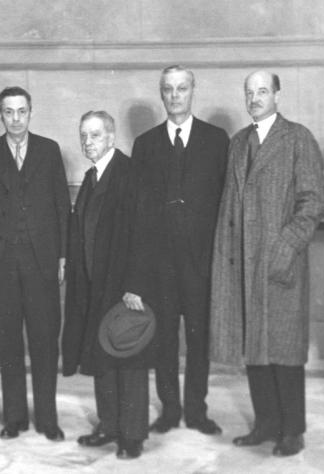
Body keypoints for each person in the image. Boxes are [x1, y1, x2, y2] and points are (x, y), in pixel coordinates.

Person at [210, 71, 324, 459]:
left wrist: (285, 246)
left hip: (280, 263)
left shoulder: (298, 138)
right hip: (243, 264)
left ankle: (293, 431)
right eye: (250, 92)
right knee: (254, 349)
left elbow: (313, 201)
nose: (255, 98)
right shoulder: (238, 142)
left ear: (277, 94)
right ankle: (265, 424)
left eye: (263, 91)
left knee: (284, 350)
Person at [0, 86, 70, 441]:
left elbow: (62, 207)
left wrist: (63, 256)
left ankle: (48, 419)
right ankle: (14, 419)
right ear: (1, 114)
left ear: (30, 112)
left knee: (45, 342)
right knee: (9, 343)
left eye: (21, 111)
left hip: (42, 263)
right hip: (1, 265)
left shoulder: (49, 150)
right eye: (8, 112)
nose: (15, 118)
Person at [130, 66, 228, 436]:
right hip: (161, 265)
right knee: (165, 340)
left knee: (200, 339)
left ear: (192, 91)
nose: (175, 96)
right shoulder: (146, 144)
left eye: (181, 88)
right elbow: (139, 214)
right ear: (161, 94)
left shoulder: (216, 140)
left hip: (202, 263)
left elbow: (225, 202)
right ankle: (170, 410)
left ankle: (197, 411)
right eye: (168, 89)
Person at [62, 111, 157, 460]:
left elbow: (146, 233)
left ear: (111, 138)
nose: (88, 142)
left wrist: (135, 285)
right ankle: (109, 425)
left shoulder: (131, 174)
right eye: (84, 136)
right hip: (94, 284)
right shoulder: (92, 177)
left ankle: (132, 435)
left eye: (96, 135)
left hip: (123, 287)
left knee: (128, 358)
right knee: (101, 355)